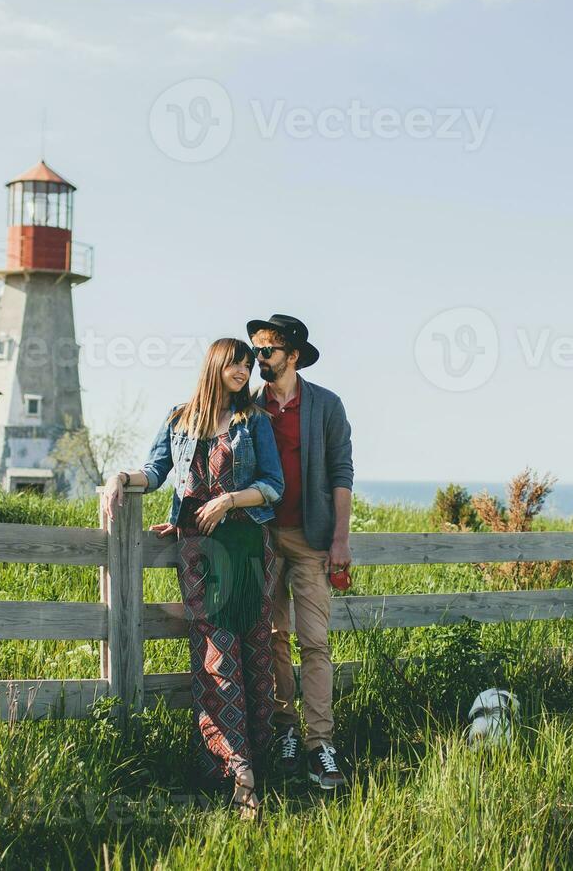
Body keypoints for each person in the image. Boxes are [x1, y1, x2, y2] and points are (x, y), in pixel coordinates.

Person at [99, 338, 284, 820]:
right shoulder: (180, 418)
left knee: (256, 652)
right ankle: (235, 768)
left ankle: (256, 759)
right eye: (237, 363)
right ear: (216, 365)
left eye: (249, 364)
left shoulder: (254, 422)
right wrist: (122, 478)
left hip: (247, 549)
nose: (245, 371)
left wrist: (228, 500)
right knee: (216, 654)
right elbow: (157, 471)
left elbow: (273, 486)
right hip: (200, 554)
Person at [246, 313, 354, 790]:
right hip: (263, 539)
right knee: (273, 638)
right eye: (255, 351)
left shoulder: (326, 406)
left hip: (312, 540)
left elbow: (341, 473)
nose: (258, 359)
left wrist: (340, 539)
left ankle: (321, 744)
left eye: (266, 350)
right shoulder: (247, 407)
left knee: (315, 641)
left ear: (291, 355)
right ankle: (286, 731)